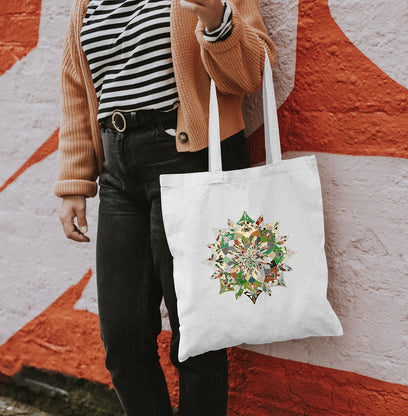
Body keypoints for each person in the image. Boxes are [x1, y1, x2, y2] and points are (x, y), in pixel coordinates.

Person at [55, 0, 276, 414]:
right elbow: (75, 86)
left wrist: (216, 20)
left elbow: (250, 73)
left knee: (196, 338)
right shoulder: (86, 3)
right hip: (118, 171)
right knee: (123, 340)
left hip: (191, 159)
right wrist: (74, 181)